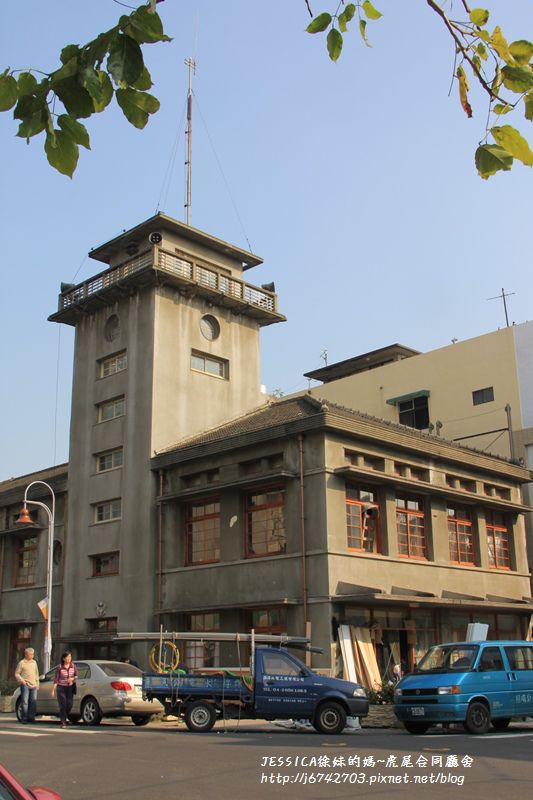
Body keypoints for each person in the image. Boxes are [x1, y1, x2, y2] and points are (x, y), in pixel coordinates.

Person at [51, 651, 78, 728]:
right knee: (63, 705)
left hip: (70, 688)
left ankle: (64, 716)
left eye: (70, 657)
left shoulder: (73, 666)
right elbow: (56, 680)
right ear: (63, 658)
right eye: (67, 657)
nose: (69, 658)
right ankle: (63, 722)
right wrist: (53, 690)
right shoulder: (60, 667)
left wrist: (72, 679)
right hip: (61, 688)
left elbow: (76, 676)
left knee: (69, 705)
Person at [15, 647, 40, 723]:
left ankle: (31, 718)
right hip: (25, 684)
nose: (32, 656)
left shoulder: (34, 662)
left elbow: (36, 673)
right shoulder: (22, 663)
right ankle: (24, 718)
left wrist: (37, 683)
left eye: (33, 654)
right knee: (25, 702)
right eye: (30, 654)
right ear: (26, 654)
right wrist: (22, 681)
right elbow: (17, 674)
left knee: (33, 702)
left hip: (34, 685)